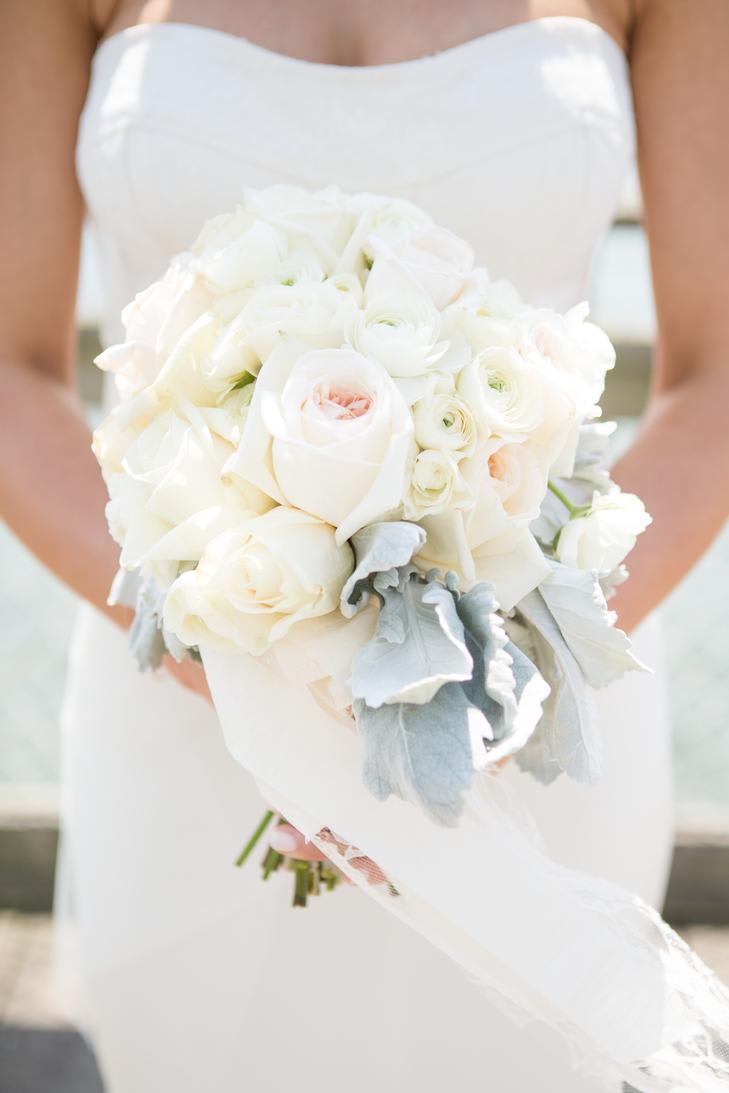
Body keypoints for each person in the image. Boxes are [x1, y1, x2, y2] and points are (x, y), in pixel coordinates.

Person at [1, 1, 727, 1089]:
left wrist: (506, 669)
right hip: (187, 698)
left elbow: (715, 373)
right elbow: (14, 369)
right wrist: (258, 663)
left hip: (525, 724)